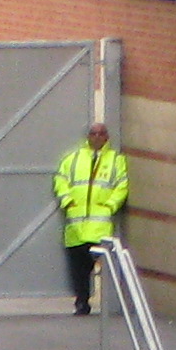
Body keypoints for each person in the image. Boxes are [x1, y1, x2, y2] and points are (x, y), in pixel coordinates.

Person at [50, 118, 127, 314]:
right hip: (76, 226)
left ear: (107, 137)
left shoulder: (116, 160)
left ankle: (110, 305)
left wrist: (110, 205)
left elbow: (121, 186)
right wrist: (67, 201)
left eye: (101, 133)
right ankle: (82, 302)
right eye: (93, 133)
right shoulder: (73, 159)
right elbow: (60, 180)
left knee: (100, 267)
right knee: (79, 270)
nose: (97, 137)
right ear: (88, 137)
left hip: (99, 227)